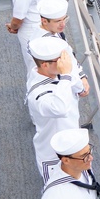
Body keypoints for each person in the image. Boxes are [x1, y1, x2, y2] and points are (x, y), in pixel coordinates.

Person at [26, 37, 84, 181]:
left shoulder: (58, 75)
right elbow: (60, 109)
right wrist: (65, 75)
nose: (66, 63)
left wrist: (68, 74)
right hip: (54, 155)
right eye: (61, 60)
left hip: (73, 142)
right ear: (45, 65)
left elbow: (79, 88)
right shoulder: (38, 92)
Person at [38, 0, 89, 95]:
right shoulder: (50, 45)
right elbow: (64, 69)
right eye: (57, 21)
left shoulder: (52, 30)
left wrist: (81, 75)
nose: (63, 25)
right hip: (59, 87)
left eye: (64, 19)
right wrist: (81, 89)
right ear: (44, 21)